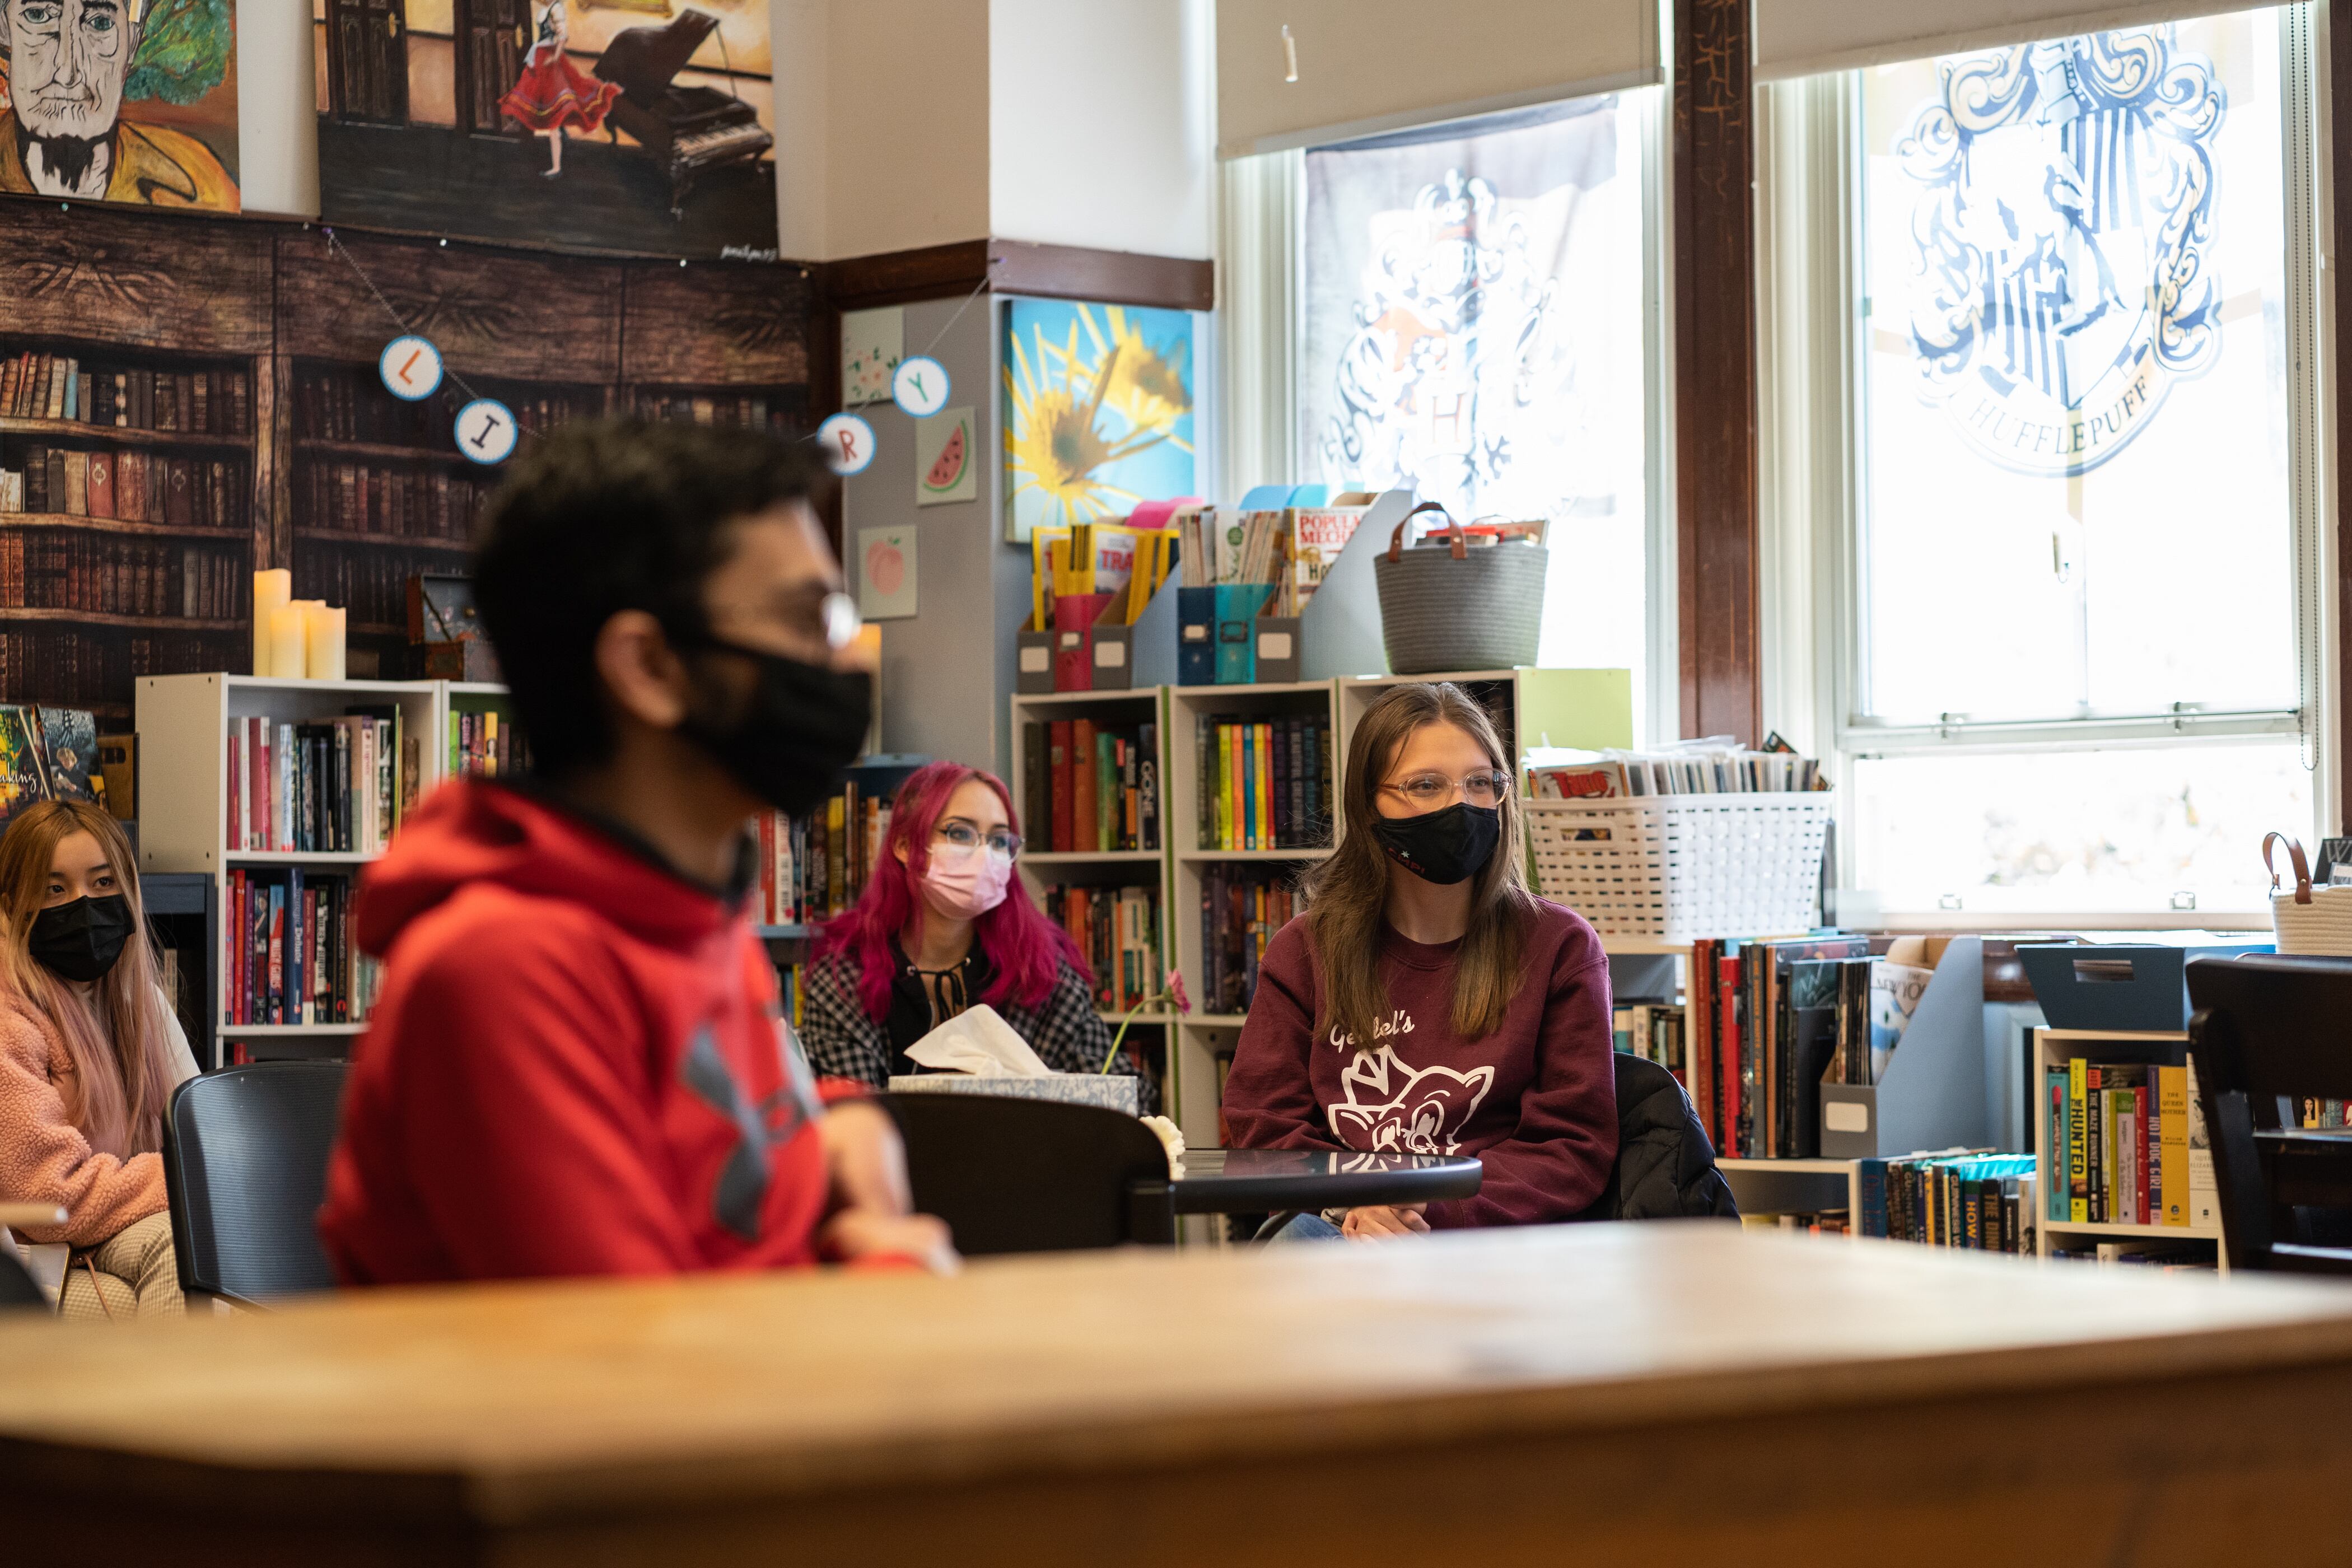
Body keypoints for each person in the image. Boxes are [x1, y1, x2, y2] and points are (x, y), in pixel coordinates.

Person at [318, 421, 954, 1282]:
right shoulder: (508, 969)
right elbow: (630, 1375)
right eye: (809, 618)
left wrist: (845, 1120)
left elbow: (724, 1138)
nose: (840, 657)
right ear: (649, 666)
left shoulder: (689, 902)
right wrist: (898, 1286)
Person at [1221, 682, 1617, 1238]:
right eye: (1426, 786)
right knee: (1299, 1243)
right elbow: (1264, 1124)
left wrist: (1429, 1208)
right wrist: (1358, 1205)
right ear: (1368, 806)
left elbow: (1571, 1145)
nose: (1460, 804)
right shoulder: (1304, 952)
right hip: (1338, 1226)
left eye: (1481, 783)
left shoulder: (1561, 947)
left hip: (1493, 1237)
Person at [800, 760, 1152, 1104]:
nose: (985, 855)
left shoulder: (1040, 971)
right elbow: (857, 1121)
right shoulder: (846, 976)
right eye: (960, 833)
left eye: (1000, 841)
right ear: (905, 846)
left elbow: (1121, 1100)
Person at [0, 800, 200, 1317]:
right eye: (55, 889)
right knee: (164, 1273)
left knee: (208, 1249)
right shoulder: (10, 1018)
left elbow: (201, 1129)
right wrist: (180, 1178)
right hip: (27, 1251)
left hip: (105, 1226)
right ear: (10, 907)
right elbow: (47, 1197)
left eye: (103, 883)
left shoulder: (141, 1003)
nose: (83, 905)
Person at [0, 0, 240, 206]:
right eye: (38, 16)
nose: (67, 73)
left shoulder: (203, 182)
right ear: (4, 28)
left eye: (101, 23)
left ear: (133, 40)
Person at [496, 0, 619, 179]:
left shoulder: (557, 9)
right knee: (543, 105)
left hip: (550, 61)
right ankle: (560, 136)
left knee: (554, 111)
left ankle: (556, 167)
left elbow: (562, 37)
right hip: (540, 57)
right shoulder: (546, 9)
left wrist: (554, 57)